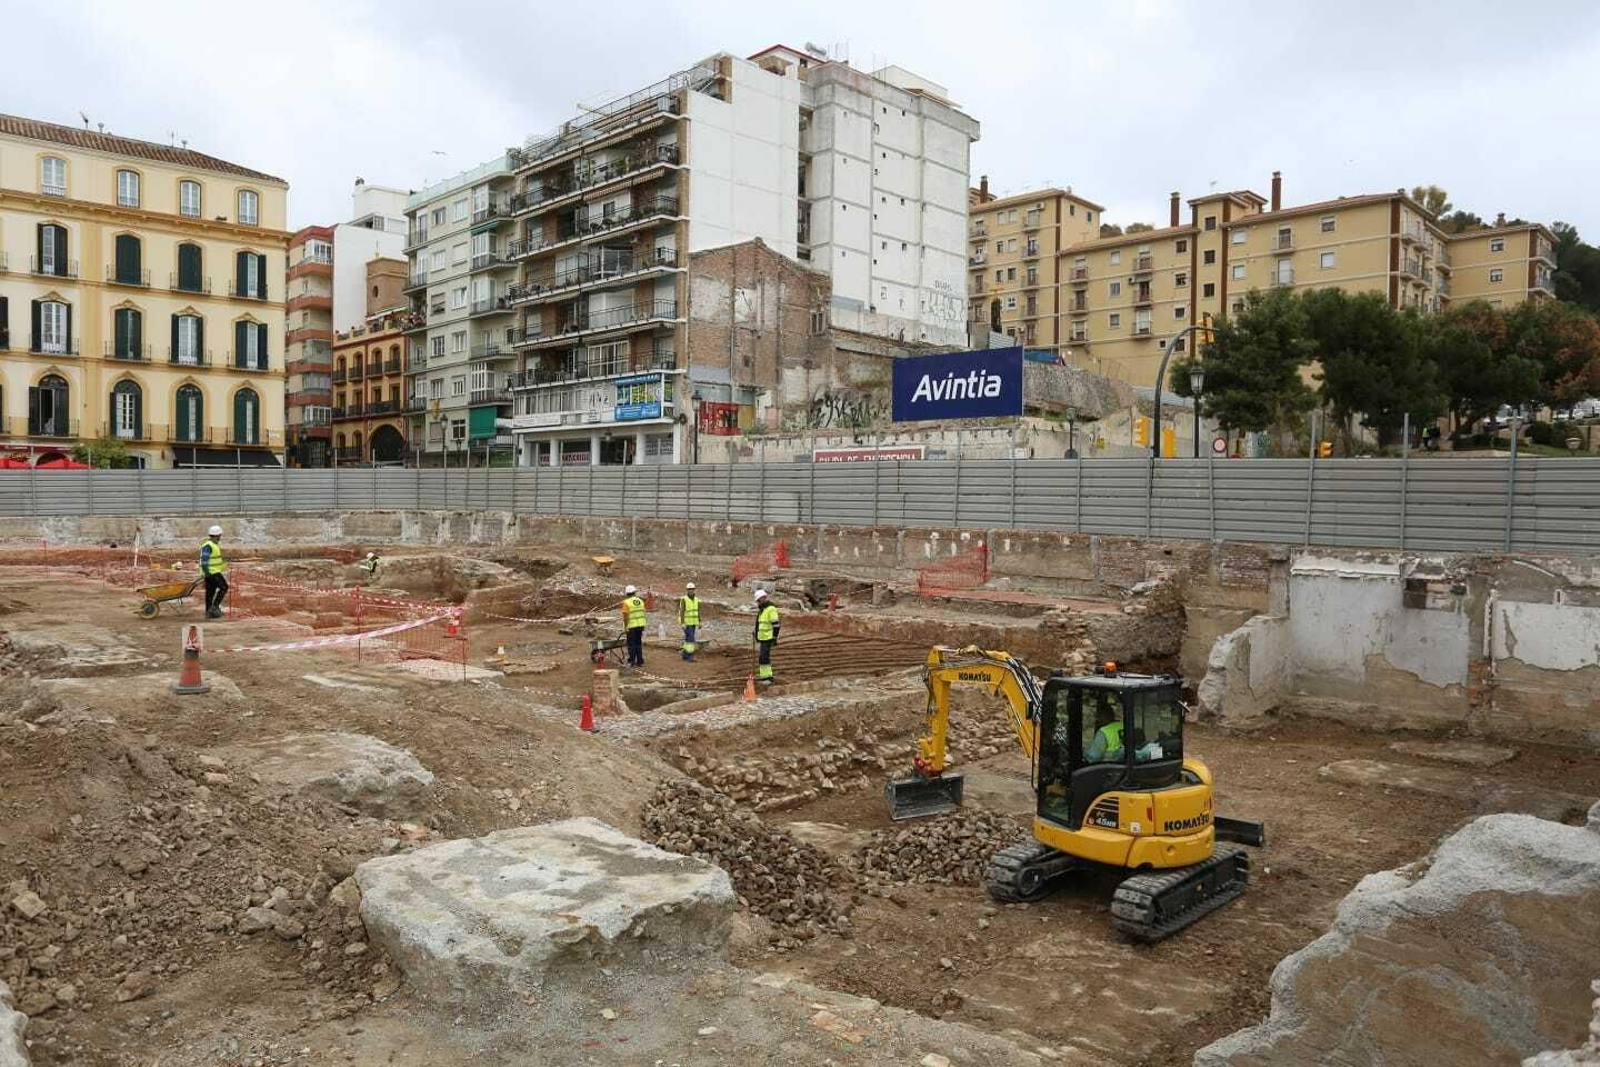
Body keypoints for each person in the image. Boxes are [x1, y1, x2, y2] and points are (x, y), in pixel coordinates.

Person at [199, 524, 228, 619]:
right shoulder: (208, 546)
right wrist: (207, 573)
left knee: (210, 592)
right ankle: (214, 607)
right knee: (224, 587)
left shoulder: (212, 545)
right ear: (217, 535)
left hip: (211, 572)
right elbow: (204, 561)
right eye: (220, 535)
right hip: (212, 573)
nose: (220, 537)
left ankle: (209, 612)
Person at [753, 588, 780, 685]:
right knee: (762, 658)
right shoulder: (762, 610)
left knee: (764, 657)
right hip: (763, 638)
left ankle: (768, 678)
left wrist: (774, 637)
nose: (758, 603)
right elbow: (759, 624)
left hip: (768, 638)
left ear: (763, 598)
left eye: (759, 600)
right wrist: (756, 634)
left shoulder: (771, 609)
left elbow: (776, 625)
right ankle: (764, 676)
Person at [620, 584, 647, 669]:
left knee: (631, 644)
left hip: (631, 626)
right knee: (638, 643)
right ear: (634, 592)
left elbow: (625, 616)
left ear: (627, 594)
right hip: (640, 625)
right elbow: (643, 612)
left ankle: (631, 661)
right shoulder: (640, 601)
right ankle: (640, 661)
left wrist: (625, 626)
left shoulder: (626, 603)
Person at [678, 582, 700, 662]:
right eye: (689, 589)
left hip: (693, 623)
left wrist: (699, 622)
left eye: (692, 589)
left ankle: (684, 654)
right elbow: (681, 611)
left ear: (694, 590)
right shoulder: (684, 599)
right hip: (686, 623)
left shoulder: (697, 600)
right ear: (687, 590)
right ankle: (690, 656)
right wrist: (682, 623)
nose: (691, 591)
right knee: (691, 639)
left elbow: (698, 612)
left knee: (688, 639)